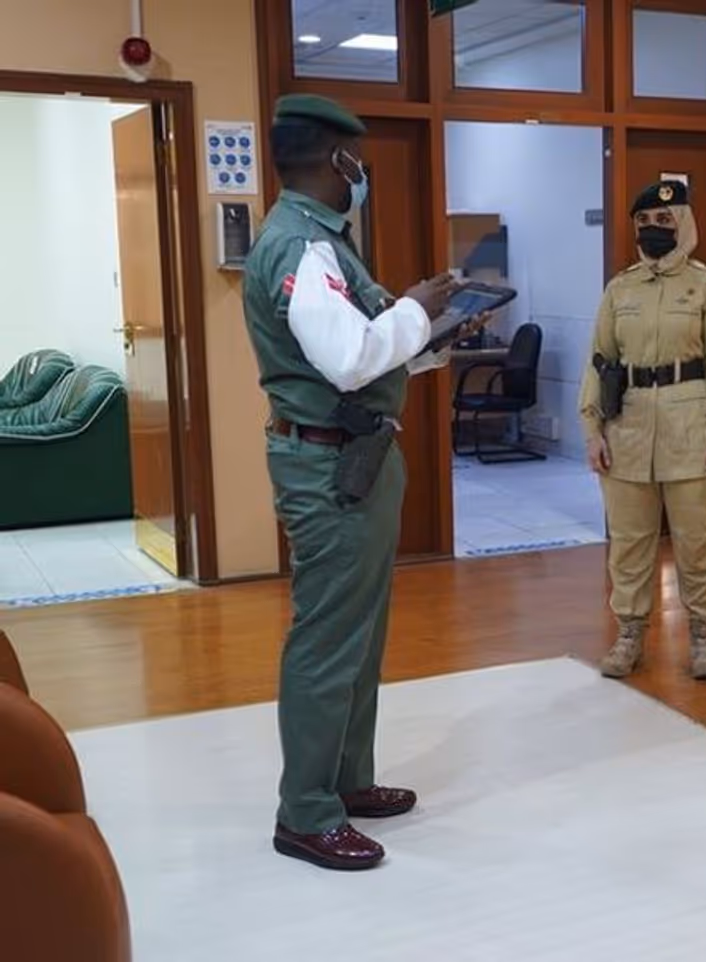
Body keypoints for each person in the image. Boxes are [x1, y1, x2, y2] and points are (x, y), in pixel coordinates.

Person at [243, 94, 468, 871]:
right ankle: (305, 813)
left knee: (359, 633)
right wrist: (415, 308)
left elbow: (362, 347)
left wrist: (427, 336)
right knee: (328, 637)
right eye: (357, 161)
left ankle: (346, 780)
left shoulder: (322, 242)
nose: (360, 175)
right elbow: (347, 359)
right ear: (338, 161)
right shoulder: (303, 247)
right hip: (328, 465)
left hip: (355, 456)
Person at [579, 180, 706, 681]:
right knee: (629, 543)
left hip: (690, 430)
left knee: (697, 541)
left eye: (664, 221)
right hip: (627, 429)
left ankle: (704, 635)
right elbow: (598, 360)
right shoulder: (620, 288)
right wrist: (592, 429)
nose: (653, 229)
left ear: (684, 224)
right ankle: (629, 634)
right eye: (644, 222)